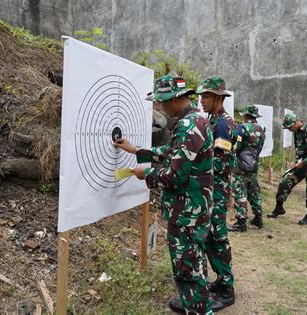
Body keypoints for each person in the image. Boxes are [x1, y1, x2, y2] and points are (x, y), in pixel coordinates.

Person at [114, 75, 223, 314]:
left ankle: (198, 308)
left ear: (175, 99)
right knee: (194, 261)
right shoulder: (197, 120)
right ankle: (192, 302)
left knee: (188, 266)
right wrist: (138, 150)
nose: (160, 106)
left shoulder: (188, 125)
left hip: (187, 213)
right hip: (195, 208)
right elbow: (175, 152)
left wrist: (147, 173)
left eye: (162, 101)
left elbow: (175, 175)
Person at [197, 76, 236, 307]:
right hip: (211, 189)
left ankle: (227, 290)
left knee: (218, 237)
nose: (202, 100)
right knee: (211, 236)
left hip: (217, 191)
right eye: (201, 96)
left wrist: (194, 164)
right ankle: (221, 280)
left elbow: (221, 162)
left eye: (206, 96)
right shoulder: (213, 119)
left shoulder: (223, 124)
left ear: (218, 98)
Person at [267, 113, 307, 225]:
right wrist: (296, 163)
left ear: (296, 123)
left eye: (290, 127)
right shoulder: (296, 132)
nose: (289, 130)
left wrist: (303, 162)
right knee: (285, 181)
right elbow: (300, 150)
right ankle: (279, 208)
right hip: (301, 164)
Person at [228, 105, 266, 232]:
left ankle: (241, 222)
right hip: (254, 164)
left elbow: (236, 146)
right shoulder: (261, 129)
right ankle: (258, 218)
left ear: (246, 116)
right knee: (254, 191)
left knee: (240, 192)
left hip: (241, 166)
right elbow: (259, 148)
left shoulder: (242, 128)